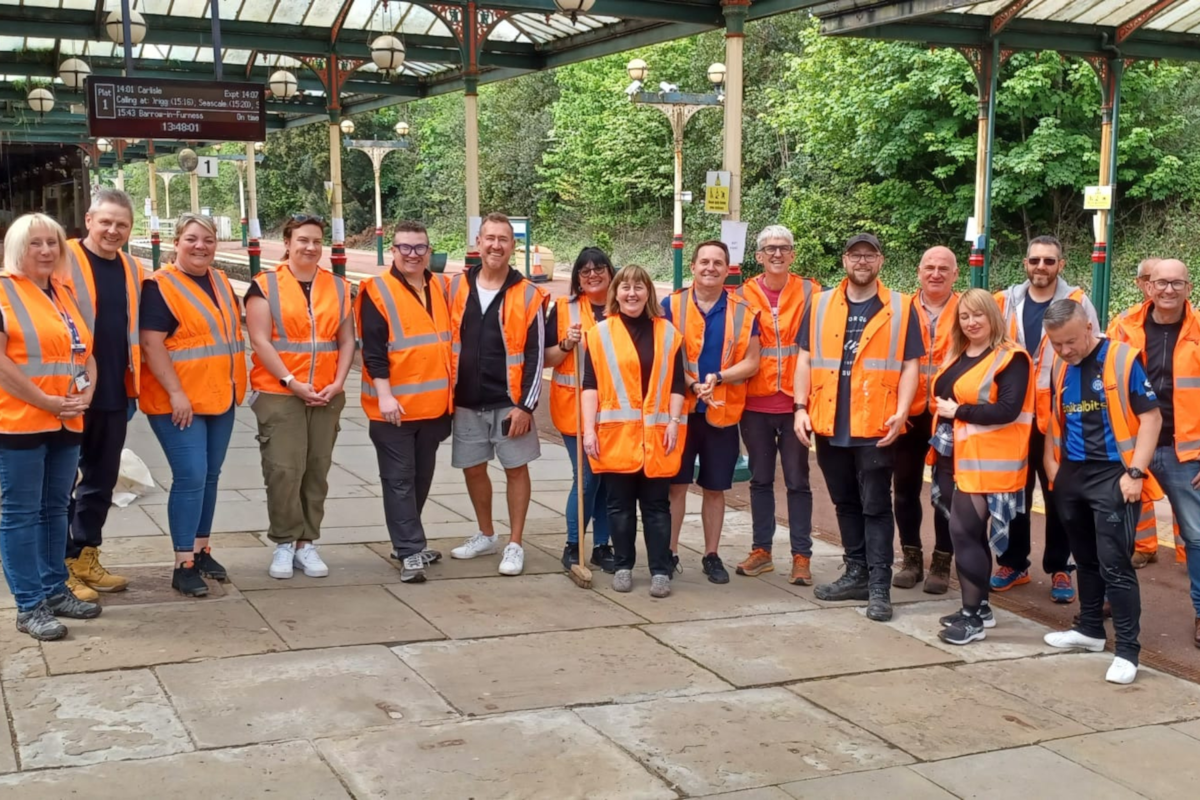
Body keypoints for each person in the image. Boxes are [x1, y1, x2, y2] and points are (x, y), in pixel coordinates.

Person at [794, 233, 923, 622]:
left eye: (869, 255)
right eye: (855, 255)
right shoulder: (818, 305)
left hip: (876, 422)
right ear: (844, 260)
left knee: (876, 505)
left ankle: (879, 586)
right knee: (845, 502)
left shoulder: (901, 307)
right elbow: (804, 359)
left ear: (880, 261)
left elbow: (911, 365)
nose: (862, 261)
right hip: (830, 421)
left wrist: (902, 413)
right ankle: (857, 573)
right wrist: (800, 408)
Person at [1041, 299, 1161, 684]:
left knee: (1116, 565)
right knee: (1085, 558)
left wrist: (1135, 472)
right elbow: (1054, 420)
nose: (1064, 351)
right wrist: (1053, 467)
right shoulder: (1061, 365)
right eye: (1056, 344)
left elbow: (1151, 418)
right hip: (1072, 474)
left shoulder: (1123, 359)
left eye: (1071, 342)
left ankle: (1128, 651)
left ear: (1089, 328)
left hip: (1113, 473)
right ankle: (1090, 629)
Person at [0, 213, 102, 640]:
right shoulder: (4, 291)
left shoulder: (62, 293)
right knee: (20, 515)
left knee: (55, 508)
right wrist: (44, 400)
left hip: (66, 420)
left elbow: (86, 355)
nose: (45, 251)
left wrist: (88, 394)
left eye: (52, 243)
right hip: (21, 422)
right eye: (35, 243)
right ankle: (29, 605)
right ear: (16, 248)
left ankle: (53, 588)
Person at [139, 213, 247, 597]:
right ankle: (182, 563)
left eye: (208, 239)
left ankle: (202, 550)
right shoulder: (159, 286)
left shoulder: (219, 281)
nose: (200, 246)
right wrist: (176, 393)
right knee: (190, 475)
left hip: (220, 396)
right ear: (176, 243)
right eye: (191, 239)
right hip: (178, 402)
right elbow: (152, 344)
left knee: (210, 476)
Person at [246, 214, 354, 580]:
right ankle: (284, 541)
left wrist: (337, 383)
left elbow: (346, 339)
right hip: (280, 393)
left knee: (316, 469)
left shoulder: (338, 287)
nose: (310, 247)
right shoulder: (265, 285)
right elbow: (260, 340)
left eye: (316, 241)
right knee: (283, 470)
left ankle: (307, 543)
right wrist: (292, 381)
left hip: (325, 392)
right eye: (303, 240)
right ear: (287, 243)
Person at [992, 235, 1099, 603]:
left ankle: (1059, 568)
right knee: (1014, 493)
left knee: (1060, 494)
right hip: (1013, 416)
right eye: (1035, 260)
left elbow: (1090, 351)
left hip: (1058, 416)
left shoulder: (1078, 302)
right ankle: (1013, 563)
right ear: (1025, 264)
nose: (1041, 267)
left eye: (1049, 261)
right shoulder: (1005, 302)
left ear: (1061, 265)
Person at [927, 289, 1033, 645]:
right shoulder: (959, 353)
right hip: (955, 456)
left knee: (964, 534)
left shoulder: (1011, 357)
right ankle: (979, 608)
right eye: (964, 317)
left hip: (988, 462)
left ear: (993, 317)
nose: (971, 322)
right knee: (964, 533)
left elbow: (1008, 409)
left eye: (978, 315)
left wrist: (959, 411)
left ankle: (972, 616)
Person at [446, 212, 548, 576]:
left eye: (503, 239)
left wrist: (525, 405)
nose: (496, 245)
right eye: (489, 238)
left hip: (509, 404)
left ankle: (515, 543)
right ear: (478, 243)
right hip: (466, 401)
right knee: (473, 469)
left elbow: (536, 356)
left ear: (513, 246)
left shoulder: (530, 295)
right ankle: (486, 534)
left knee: (515, 470)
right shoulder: (455, 287)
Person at [1108, 259, 1200, 648]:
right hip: (1130, 446)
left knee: (1197, 535)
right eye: (1161, 282)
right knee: (1113, 529)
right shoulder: (1123, 326)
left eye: (1176, 283)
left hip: (1185, 452)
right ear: (1147, 286)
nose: (1167, 290)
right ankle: (1111, 599)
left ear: (1188, 288)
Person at [357, 221, 454, 584]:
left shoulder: (440, 286)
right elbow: (374, 349)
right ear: (393, 251)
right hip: (393, 408)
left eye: (419, 248)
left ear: (429, 251)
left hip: (433, 407)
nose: (413, 254)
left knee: (421, 478)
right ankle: (411, 550)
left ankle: (406, 542)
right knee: (399, 479)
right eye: (405, 248)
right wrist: (384, 395)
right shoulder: (376, 291)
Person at [582, 265, 686, 598]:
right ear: (616, 293)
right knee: (619, 506)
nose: (631, 293)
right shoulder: (599, 334)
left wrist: (673, 420)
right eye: (625, 287)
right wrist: (588, 431)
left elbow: (677, 384)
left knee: (657, 507)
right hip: (616, 436)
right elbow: (590, 387)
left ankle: (659, 570)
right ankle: (624, 566)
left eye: (638, 287)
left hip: (658, 436)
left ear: (648, 293)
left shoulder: (668, 333)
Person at [663, 241, 760, 584]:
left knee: (715, 488)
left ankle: (711, 554)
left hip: (722, 413)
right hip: (681, 412)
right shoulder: (670, 305)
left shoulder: (743, 311)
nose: (710, 267)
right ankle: (669, 553)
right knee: (676, 486)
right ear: (692, 266)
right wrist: (691, 384)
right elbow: (665, 355)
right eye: (704, 261)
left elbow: (752, 361)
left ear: (727, 269)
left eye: (718, 262)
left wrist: (718, 378)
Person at [62, 188, 143, 601]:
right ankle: (58, 565)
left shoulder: (132, 267)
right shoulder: (63, 258)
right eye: (106, 221)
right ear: (89, 220)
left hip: (113, 390)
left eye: (122, 225)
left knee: (100, 480)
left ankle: (84, 555)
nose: (113, 230)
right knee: (60, 484)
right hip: (67, 392)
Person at [734, 226, 820, 585]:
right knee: (761, 480)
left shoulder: (812, 292)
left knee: (799, 481)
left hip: (797, 404)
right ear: (758, 256)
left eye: (784, 248)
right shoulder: (742, 295)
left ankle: (802, 556)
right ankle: (762, 551)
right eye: (770, 249)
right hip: (755, 403)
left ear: (793, 254)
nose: (777, 254)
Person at [893, 246, 960, 594]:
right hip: (909, 411)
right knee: (904, 487)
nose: (936, 274)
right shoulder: (900, 309)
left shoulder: (967, 309)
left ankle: (942, 562)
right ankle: (911, 558)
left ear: (955, 274)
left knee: (945, 492)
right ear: (918, 271)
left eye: (943, 269)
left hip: (949, 413)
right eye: (929, 267)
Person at [545, 247, 615, 573]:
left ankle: (602, 545)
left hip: (614, 411)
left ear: (610, 272)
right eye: (584, 271)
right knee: (587, 477)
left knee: (605, 477)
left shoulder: (624, 308)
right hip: (573, 407)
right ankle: (574, 544)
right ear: (577, 277)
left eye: (598, 269)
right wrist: (565, 344)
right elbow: (544, 358)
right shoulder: (564, 310)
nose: (592, 275)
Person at [1108, 257, 1176, 568]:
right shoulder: (1123, 323)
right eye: (1151, 278)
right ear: (1140, 284)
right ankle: (1145, 545)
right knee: (1138, 488)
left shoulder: (1191, 324)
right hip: (1136, 425)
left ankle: (1189, 555)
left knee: (1184, 497)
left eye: (1165, 279)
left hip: (1180, 429)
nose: (1159, 286)